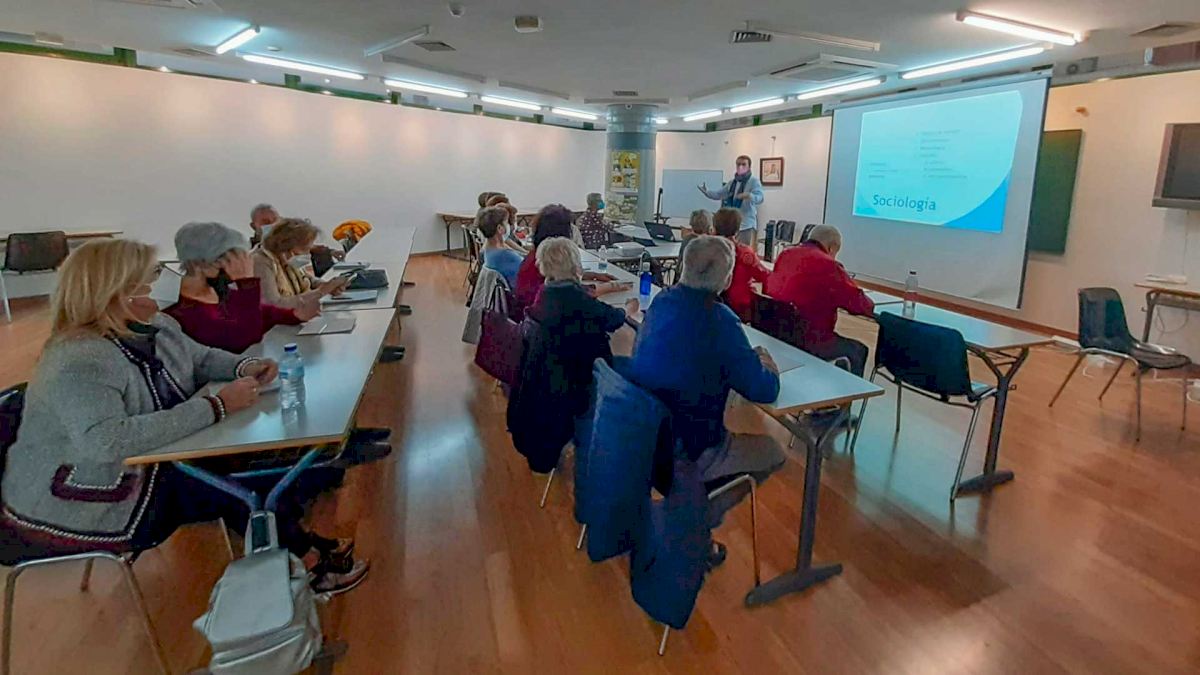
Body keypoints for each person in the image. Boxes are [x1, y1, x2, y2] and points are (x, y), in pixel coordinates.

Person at [0, 239, 368, 594]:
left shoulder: (155, 325)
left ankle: (300, 547)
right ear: (116, 293)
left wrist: (245, 366)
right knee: (238, 489)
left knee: (247, 469)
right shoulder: (77, 359)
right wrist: (216, 406)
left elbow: (201, 358)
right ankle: (309, 562)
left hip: (145, 461)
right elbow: (106, 441)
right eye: (150, 276)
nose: (162, 282)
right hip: (82, 496)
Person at [627, 235, 785, 524]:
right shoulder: (720, 320)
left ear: (683, 266)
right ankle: (695, 523)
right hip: (688, 450)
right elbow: (764, 389)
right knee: (773, 451)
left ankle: (688, 514)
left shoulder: (661, 301)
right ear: (727, 280)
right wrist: (766, 362)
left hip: (643, 439)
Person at [507, 238, 637, 472]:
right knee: (630, 364)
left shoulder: (546, 294)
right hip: (572, 394)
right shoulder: (578, 302)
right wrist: (629, 310)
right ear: (575, 265)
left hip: (542, 393)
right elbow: (614, 318)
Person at [167, 222, 316, 353]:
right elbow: (243, 339)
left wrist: (294, 315)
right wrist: (246, 283)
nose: (236, 267)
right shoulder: (180, 308)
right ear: (198, 263)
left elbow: (261, 313)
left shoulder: (216, 289)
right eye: (228, 260)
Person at [765, 224, 874, 376]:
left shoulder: (786, 254)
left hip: (778, 329)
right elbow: (859, 304)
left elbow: (769, 288)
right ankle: (846, 390)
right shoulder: (829, 265)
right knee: (858, 350)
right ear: (831, 248)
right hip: (812, 338)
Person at [513, 204, 620, 314]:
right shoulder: (548, 258)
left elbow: (562, 280)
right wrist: (608, 287)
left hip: (532, 315)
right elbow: (571, 294)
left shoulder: (538, 255)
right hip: (546, 315)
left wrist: (591, 275)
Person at [252, 218, 349, 311]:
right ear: (287, 246)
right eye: (305, 249)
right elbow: (273, 305)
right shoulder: (260, 262)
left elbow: (309, 280)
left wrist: (328, 286)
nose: (308, 254)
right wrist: (321, 292)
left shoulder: (286, 259)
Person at [712, 207, 770, 322]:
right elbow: (764, 276)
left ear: (714, 228)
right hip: (740, 309)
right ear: (737, 230)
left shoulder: (705, 249)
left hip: (711, 305)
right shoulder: (745, 253)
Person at [698, 155, 764, 246]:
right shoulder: (732, 182)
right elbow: (719, 194)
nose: (740, 167)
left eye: (743, 164)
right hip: (732, 225)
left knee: (743, 250)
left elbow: (760, 198)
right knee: (731, 249)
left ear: (749, 167)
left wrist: (749, 195)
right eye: (738, 164)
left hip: (746, 225)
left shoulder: (754, 181)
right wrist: (707, 192)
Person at [478, 205, 524, 287]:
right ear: (499, 228)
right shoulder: (506, 255)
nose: (509, 225)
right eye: (506, 222)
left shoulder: (488, 250)